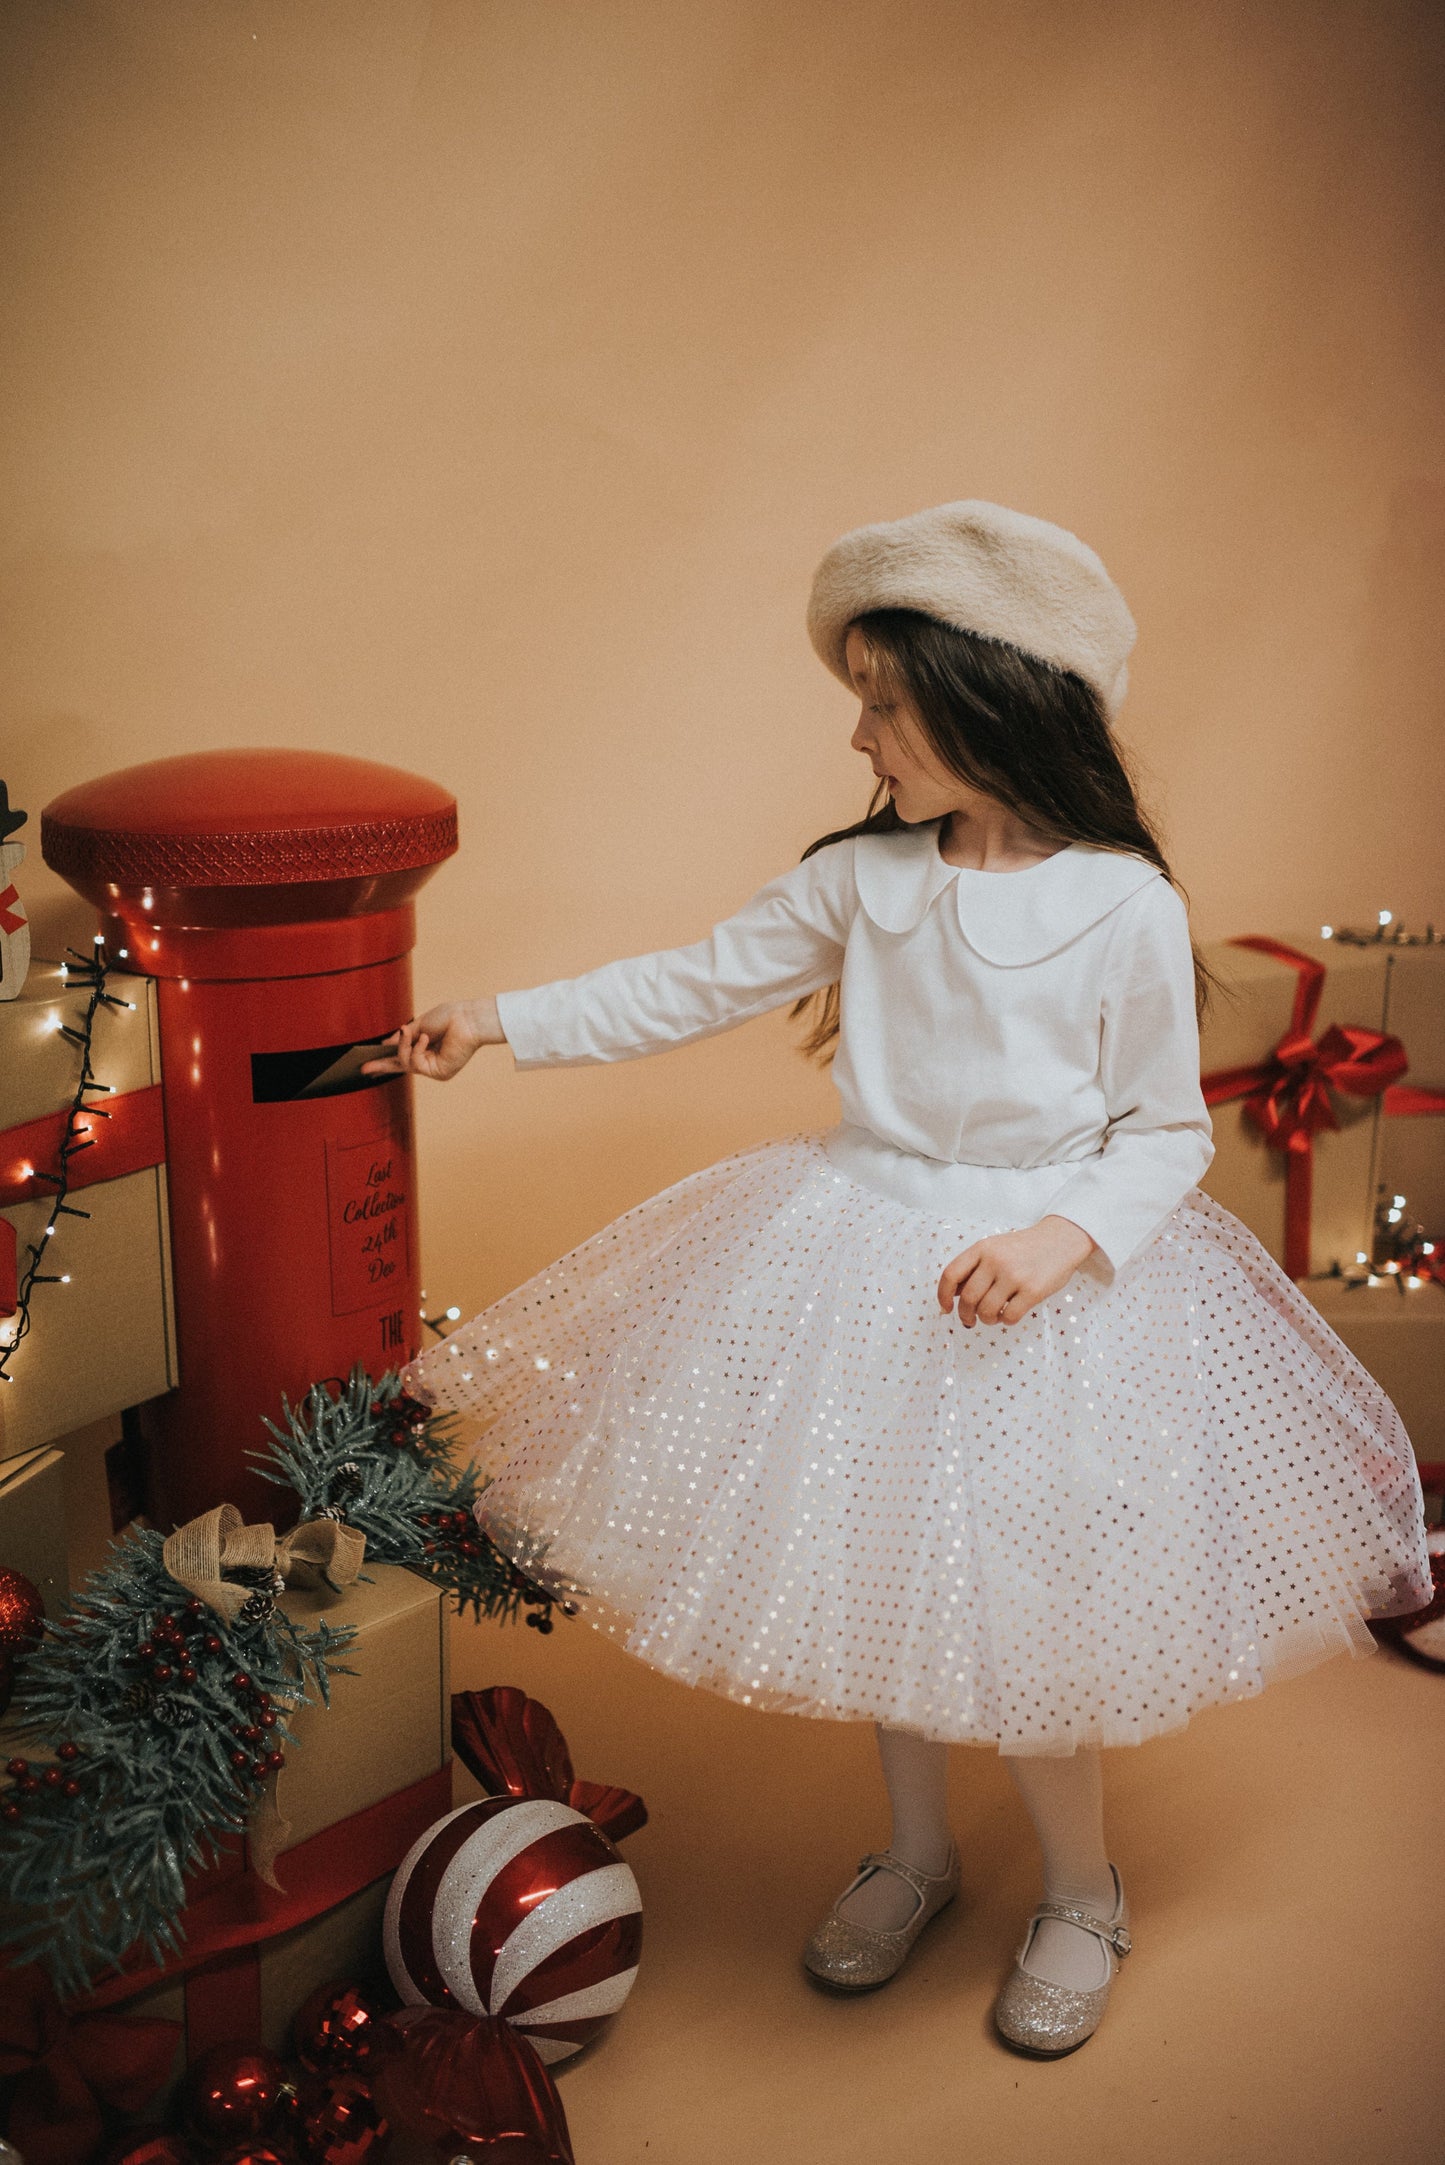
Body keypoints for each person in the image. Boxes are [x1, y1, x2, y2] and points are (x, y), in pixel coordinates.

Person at [364, 500, 1432, 2059]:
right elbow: (690, 980)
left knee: (1030, 1607)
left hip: (1038, 1303)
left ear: (989, 701)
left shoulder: (1120, 905)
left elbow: (1160, 1132)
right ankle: (919, 1854)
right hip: (857, 1262)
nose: (857, 731)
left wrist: (1061, 1239)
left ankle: (1082, 1889)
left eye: (882, 698)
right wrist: (501, 1017)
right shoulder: (863, 878)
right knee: (886, 1579)